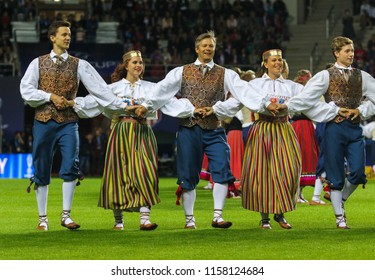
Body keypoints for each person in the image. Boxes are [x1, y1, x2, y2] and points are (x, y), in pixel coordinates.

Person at [132, 31, 277, 229]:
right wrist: (149, 105)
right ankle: (190, 220)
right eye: (205, 46)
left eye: (211, 46)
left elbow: (243, 93)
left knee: (222, 169)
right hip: (188, 128)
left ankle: (217, 216)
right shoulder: (181, 71)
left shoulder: (226, 73)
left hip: (214, 128)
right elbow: (162, 92)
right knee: (188, 175)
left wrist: (219, 108)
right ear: (197, 49)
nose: (208, 48)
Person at [20, 20, 128, 231]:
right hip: (43, 121)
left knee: (71, 165)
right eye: (63, 34)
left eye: (69, 34)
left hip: (69, 122)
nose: (68, 37)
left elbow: (100, 90)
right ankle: (42, 218)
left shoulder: (80, 64)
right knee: (41, 168)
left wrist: (122, 105)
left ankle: (66, 215)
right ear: (52, 37)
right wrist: (49, 96)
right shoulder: (37, 63)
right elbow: (26, 90)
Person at [280, 36, 375, 229]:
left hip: (355, 128)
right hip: (333, 128)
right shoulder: (325, 76)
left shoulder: (362, 76)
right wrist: (286, 107)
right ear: (336, 53)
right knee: (335, 175)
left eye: (352, 50)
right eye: (347, 51)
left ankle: (340, 201)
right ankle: (340, 218)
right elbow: (306, 99)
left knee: (357, 172)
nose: (351, 54)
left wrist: (361, 110)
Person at [98, 50, 161, 231]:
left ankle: (145, 219)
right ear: (126, 65)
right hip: (121, 130)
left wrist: (141, 110)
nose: (138, 65)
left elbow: (154, 110)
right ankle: (119, 221)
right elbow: (107, 110)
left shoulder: (151, 87)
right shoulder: (113, 88)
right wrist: (125, 109)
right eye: (134, 62)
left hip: (142, 131)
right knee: (118, 173)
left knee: (145, 172)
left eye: (140, 62)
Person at [290, 69, 318, 204]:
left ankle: (298, 192)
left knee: (303, 157)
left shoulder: (296, 89)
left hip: (301, 124)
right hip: (302, 125)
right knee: (304, 157)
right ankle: (297, 193)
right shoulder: (302, 90)